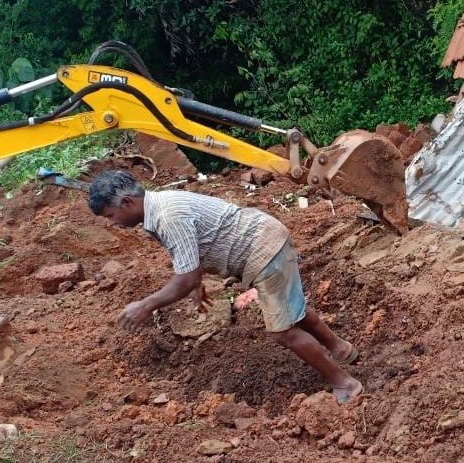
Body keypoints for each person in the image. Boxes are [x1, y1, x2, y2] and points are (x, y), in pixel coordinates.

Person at [87, 170, 364, 403]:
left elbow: (184, 277)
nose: (113, 223)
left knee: (283, 331)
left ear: (126, 203)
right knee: (290, 310)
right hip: (262, 239)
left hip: (262, 248)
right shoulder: (158, 208)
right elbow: (187, 257)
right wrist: (195, 282)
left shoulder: (167, 217)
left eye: (110, 216)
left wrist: (147, 305)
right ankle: (339, 348)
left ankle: (345, 384)